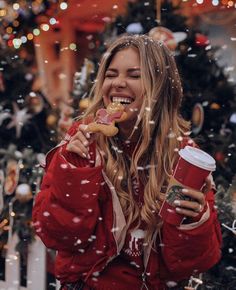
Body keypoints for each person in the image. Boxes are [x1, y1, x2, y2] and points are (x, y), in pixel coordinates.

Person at [33, 35, 222, 290]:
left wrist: (192, 221)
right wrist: (75, 172)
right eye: (111, 75)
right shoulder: (81, 142)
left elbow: (189, 264)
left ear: (160, 86)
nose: (118, 83)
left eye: (134, 75)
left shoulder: (184, 156)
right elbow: (59, 236)